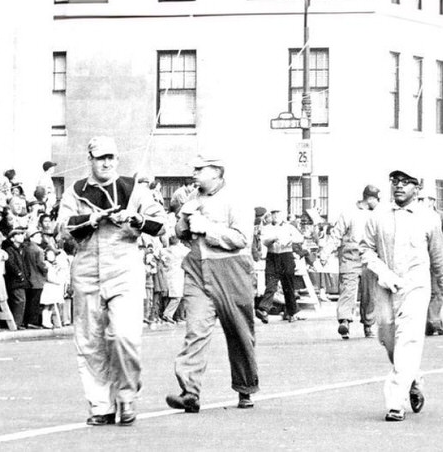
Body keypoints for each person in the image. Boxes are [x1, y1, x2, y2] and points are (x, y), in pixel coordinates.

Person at [57, 136, 165, 426]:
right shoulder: (75, 191)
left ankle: (127, 397)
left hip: (124, 268)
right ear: (89, 159)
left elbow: (162, 223)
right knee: (90, 341)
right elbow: (62, 229)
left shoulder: (134, 189)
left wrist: (137, 220)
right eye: (100, 157)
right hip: (87, 269)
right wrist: (91, 220)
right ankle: (100, 405)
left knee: (124, 336)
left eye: (111, 157)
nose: (106, 163)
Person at [166, 151, 258, 414]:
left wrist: (207, 227)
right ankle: (189, 392)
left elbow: (241, 239)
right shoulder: (192, 198)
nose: (194, 173)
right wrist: (183, 220)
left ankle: (245, 387)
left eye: (200, 169)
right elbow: (179, 235)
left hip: (231, 271)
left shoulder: (237, 199)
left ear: (217, 172)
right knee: (195, 330)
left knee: (240, 332)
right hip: (197, 270)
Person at [361, 168, 443, 424]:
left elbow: (439, 257)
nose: (399, 186)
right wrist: (382, 271)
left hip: (415, 287)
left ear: (417, 188)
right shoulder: (378, 216)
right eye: (395, 181)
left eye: (406, 182)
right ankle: (413, 378)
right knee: (389, 339)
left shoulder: (428, 218)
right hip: (385, 287)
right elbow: (365, 250)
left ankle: (395, 402)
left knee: (408, 341)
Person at [335, 184, 380, 338]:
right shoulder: (349, 213)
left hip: (369, 257)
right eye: (377, 200)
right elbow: (336, 234)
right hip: (351, 256)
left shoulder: (377, 216)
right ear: (371, 199)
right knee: (348, 289)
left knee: (370, 293)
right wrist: (325, 253)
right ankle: (345, 321)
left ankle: (368, 325)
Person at [255, 208, 305, 324]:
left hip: (286, 256)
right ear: (270, 215)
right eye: (273, 213)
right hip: (272, 256)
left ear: (283, 215)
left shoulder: (289, 227)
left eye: (278, 213)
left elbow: (300, 238)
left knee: (288, 285)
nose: (276, 215)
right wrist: (272, 239)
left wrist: (290, 240)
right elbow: (264, 241)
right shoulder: (267, 228)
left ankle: (292, 312)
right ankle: (264, 310)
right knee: (271, 283)